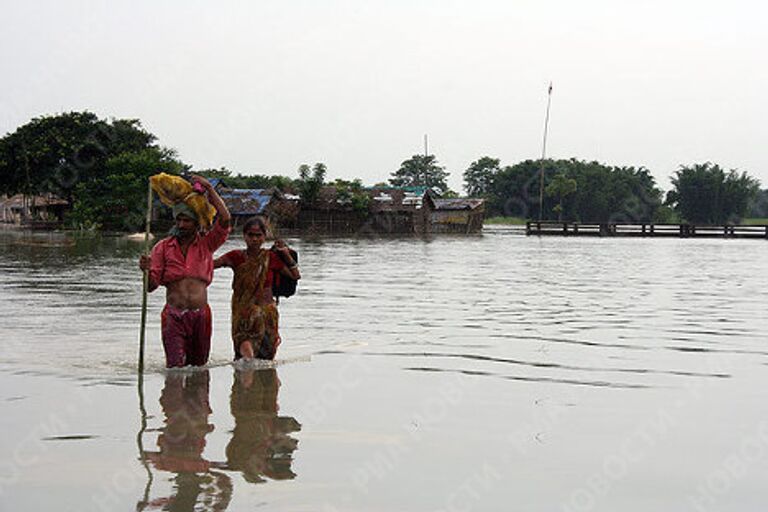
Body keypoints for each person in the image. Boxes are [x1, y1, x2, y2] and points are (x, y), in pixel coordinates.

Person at [139, 175, 231, 368]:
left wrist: (209, 188)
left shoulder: (206, 244)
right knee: (174, 369)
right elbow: (151, 287)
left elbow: (225, 219)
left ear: (197, 223)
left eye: (187, 220)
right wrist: (146, 272)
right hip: (174, 315)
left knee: (199, 369)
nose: (181, 225)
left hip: (201, 316)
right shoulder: (162, 248)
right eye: (178, 220)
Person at [214, 216, 300, 360]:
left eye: (258, 235)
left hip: (267, 314)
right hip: (244, 315)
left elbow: (295, 275)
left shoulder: (270, 258)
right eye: (250, 235)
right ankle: (246, 378)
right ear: (244, 236)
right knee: (246, 354)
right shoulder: (236, 256)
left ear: (264, 237)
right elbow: (210, 265)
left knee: (266, 359)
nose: (254, 239)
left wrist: (285, 254)